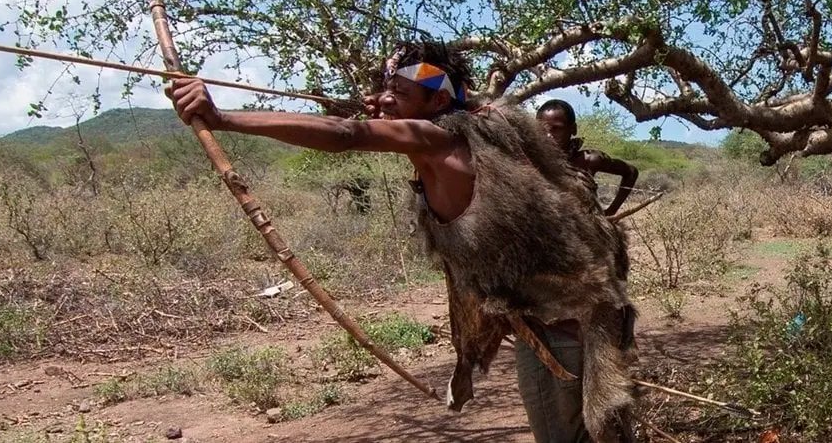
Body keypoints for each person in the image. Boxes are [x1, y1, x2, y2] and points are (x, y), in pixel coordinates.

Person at [166, 41, 633, 443]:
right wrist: (395, 103)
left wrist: (221, 116)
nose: (385, 100)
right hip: (575, 317)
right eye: (384, 90)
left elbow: (346, 134)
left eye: (400, 92)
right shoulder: (480, 134)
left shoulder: (435, 138)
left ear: (435, 105)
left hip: (564, 327)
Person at [536, 100, 640, 216]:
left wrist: (611, 211)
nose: (548, 136)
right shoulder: (531, 160)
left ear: (573, 129)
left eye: (556, 129)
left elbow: (631, 172)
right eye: (542, 130)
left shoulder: (589, 160)